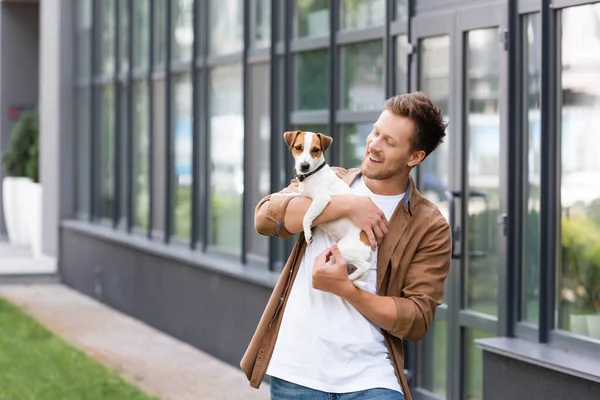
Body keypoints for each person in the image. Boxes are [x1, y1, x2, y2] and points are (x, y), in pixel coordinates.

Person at [240, 92, 452, 400]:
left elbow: (416, 319)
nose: (374, 144)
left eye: (389, 142)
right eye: (375, 131)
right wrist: (347, 207)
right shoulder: (327, 179)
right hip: (298, 371)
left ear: (415, 157)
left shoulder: (428, 225)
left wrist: (347, 289)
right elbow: (266, 217)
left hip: (372, 379)